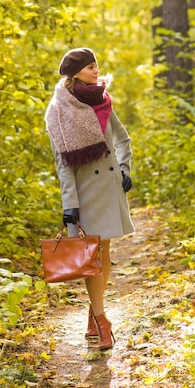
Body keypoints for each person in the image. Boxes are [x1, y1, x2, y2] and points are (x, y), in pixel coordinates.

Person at [45, 47, 135, 350]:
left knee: (103, 252)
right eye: (89, 67)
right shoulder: (58, 112)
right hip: (85, 194)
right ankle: (102, 320)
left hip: (110, 187)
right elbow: (63, 164)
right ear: (74, 74)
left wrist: (124, 168)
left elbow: (123, 139)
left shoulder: (105, 101)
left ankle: (93, 311)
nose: (96, 71)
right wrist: (69, 204)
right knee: (92, 257)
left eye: (97, 65)